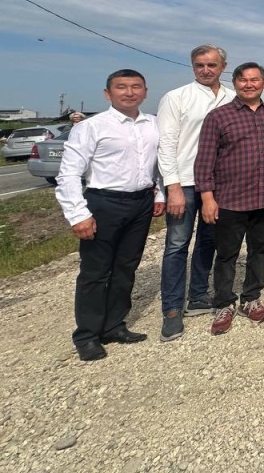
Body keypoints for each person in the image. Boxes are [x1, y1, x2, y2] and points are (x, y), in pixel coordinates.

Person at [56, 69, 165, 361]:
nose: (129, 92)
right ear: (108, 93)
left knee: (126, 267)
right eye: (121, 87)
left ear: (144, 92)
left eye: (135, 87)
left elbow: (158, 165)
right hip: (104, 202)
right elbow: (68, 173)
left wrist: (160, 193)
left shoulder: (153, 125)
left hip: (141, 202)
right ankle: (87, 335)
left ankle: (115, 324)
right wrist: (78, 214)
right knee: (95, 271)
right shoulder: (91, 127)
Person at [195, 63, 264, 336]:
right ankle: (224, 303)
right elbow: (204, 161)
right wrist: (207, 198)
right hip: (230, 199)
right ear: (234, 83)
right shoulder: (218, 117)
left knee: (260, 250)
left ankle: (251, 298)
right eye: (243, 80)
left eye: (254, 80)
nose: (249, 84)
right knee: (227, 254)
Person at [156, 44, 233, 342]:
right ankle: (172, 309)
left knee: (209, 240)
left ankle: (198, 295)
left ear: (223, 67)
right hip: (185, 182)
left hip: (219, 182)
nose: (205, 70)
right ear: (192, 66)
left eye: (211, 65)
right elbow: (166, 144)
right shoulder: (176, 98)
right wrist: (172, 186)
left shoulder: (231, 96)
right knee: (177, 244)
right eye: (199, 65)